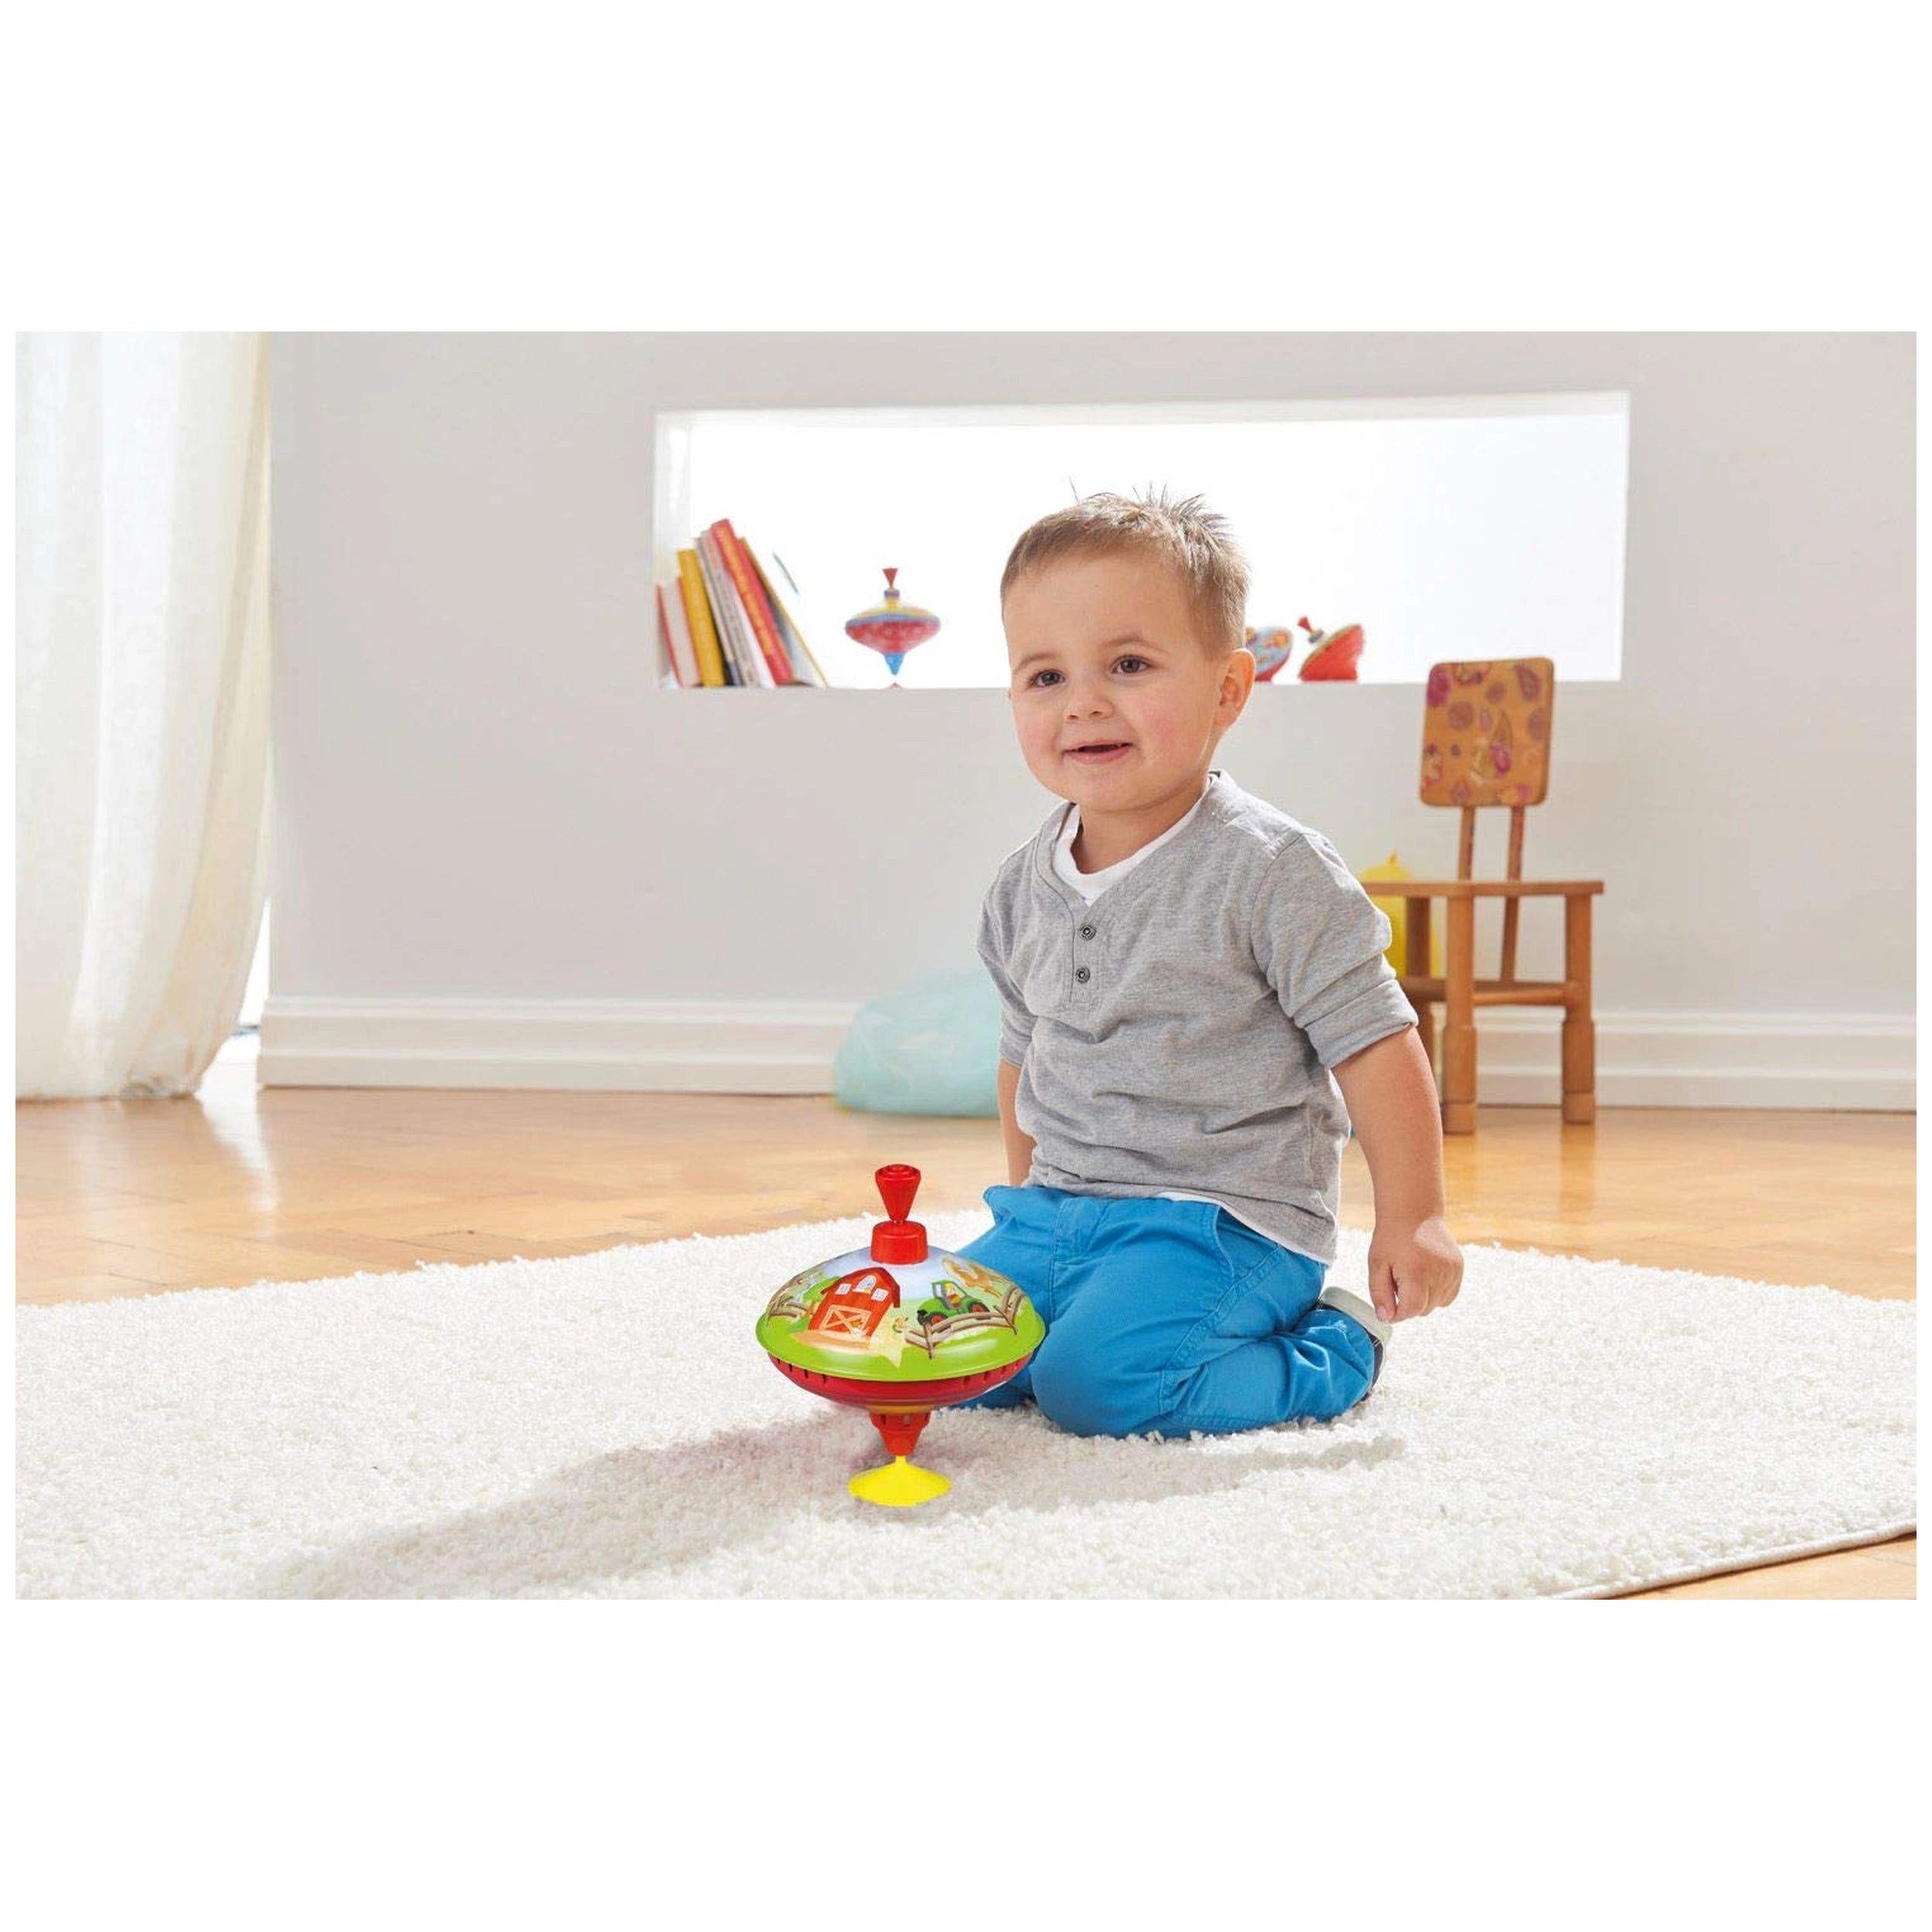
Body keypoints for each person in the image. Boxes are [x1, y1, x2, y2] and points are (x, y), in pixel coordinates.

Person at [952, 488, 1463, 1439]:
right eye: (1046, 676)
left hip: (1228, 1221)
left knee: (1096, 1388)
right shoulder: (1021, 885)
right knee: (942, 1353)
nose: (1083, 702)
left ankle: (1333, 1350)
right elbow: (1024, 1056)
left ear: (1227, 689)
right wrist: (1026, 1208)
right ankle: (1074, 1307)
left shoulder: (1271, 869)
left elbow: (1374, 1041)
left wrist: (1415, 1216)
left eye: (1129, 665)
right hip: (1058, 1211)